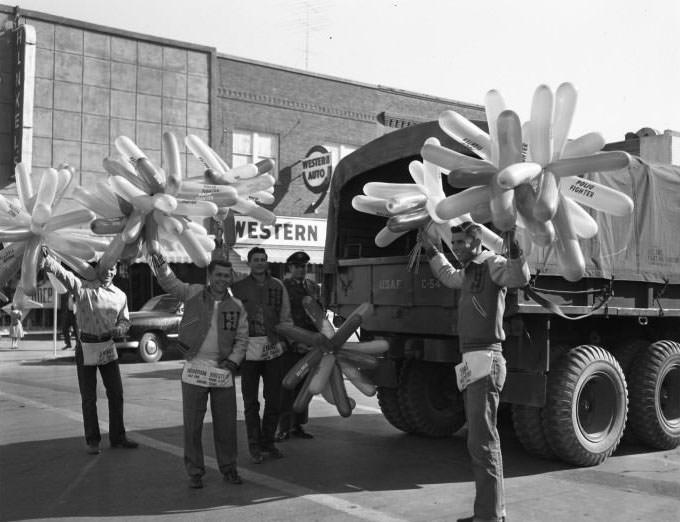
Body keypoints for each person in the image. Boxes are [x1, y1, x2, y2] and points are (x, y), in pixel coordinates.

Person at [420, 223, 530, 522]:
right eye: (452, 241)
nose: (455, 246)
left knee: (482, 442)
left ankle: (489, 516)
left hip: (486, 358)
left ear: (476, 241)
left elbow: (519, 276)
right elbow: (448, 276)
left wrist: (515, 249)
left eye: (460, 241)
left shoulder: (491, 263)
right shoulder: (468, 270)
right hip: (476, 360)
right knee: (481, 440)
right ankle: (492, 511)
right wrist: (432, 249)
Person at [149, 252, 248, 489]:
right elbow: (169, 282)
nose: (223, 279)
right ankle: (194, 471)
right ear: (210, 275)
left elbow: (242, 339)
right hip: (194, 368)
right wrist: (157, 260)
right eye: (219, 275)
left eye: (227, 275)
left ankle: (229, 469)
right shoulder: (192, 292)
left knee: (226, 425)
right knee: (192, 425)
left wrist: (233, 362)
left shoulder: (236, 306)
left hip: (223, 371)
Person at [42, 250, 138, 455]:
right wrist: (46, 258)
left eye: (112, 269)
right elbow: (64, 275)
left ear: (116, 270)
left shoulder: (120, 296)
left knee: (116, 393)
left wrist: (120, 329)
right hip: (86, 347)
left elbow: (125, 320)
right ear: (97, 269)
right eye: (105, 269)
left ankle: (118, 437)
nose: (109, 272)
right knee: (89, 397)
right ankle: (93, 440)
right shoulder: (83, 287)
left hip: (107, 347)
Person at [231, 247, 293, 464]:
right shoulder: (237, 287)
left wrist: (287, 341)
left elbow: (285, 317)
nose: (260, 262)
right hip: (247, 350)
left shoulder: (278, 286)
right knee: (250, 402)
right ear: (248, 263)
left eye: (263, 259)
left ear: (267, 262)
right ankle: (254, 446)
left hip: (274, 349)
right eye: (256, 259)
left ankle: (269, 442)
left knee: (273, 399)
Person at [276, 250, 320, 441]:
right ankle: (283, 427)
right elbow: (280, 318)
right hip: (291, 345)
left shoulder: (312, 286)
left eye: (304, 266)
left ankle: (298, 426)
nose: (302, 269)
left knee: (304, 387)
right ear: (290, 268)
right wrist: (292, 342)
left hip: (310, 345)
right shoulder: (282, 287)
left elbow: (318, 314)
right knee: (287, 387)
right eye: (298, 266)